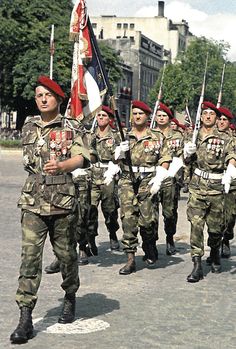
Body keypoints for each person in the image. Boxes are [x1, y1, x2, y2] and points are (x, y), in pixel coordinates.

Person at [10, 76, 90, 344]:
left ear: (58, 98)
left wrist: (65, 166)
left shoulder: (71, 126)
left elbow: (82, 156)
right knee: (30, 259)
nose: (42, 99)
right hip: (33, 200)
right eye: (38, 95)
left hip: (62, 200)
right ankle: (25, 316)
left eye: (48, 95)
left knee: (66, 255)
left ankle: (69, 296)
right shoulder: (29, 124)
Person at [115, 100, 172, 275]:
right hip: (127, 180)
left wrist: (159, 177)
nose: (137, 116)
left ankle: (149, 245)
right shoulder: (123, 135)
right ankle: (130, 258)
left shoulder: (157, 137)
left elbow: (165, 158)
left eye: (141, 113)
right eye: (135, 113)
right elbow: (112, 160)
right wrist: (118, 153)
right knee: (127, 219)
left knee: (148, 221)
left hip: (148, 180)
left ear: (147, 116)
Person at [184, 101, 236, 283]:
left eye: (211, 114)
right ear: (201, 116)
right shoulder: (192, 136)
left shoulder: (225, 138)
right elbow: (185, 162)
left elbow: (231, 155)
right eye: (205, 113)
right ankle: (197, 264)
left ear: (215, 118)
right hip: (197, 187)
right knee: (196, 225)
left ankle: (214, 250)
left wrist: (230, 169)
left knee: (215, 229)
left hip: (216, 189)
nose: (207, 116)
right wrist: (186, 154)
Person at [88, 105, 121, 253]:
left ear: (110, 119)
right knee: (90, 208)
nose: (100, 118)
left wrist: (115, 167)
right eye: (99, 116)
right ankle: (91, 238)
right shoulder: (91, 135)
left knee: (110, 208)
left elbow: (121, 156)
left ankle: (112, 233)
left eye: (104, 116)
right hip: (93, 174)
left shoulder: (116, 136)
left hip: (109, 174)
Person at [154, 103, 184, 255]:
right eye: (158, 115)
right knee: (151, 212)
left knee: (170, 212)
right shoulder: (150, 134)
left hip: (170, 179)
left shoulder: (177, 136)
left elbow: (181, 157)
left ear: (169, 118)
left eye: (164, 115)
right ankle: (151, 241)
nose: (161, 118)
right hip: (153, 178)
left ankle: (170, 238)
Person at [217, 106, 236, 258]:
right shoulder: (210, 137)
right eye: (220, 119)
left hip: (232, 182)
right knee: (215, 216)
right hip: (214, 182)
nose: (221, 122)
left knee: (230, 216)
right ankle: (216, 244)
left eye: (225, 119)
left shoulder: (234, 140)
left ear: (229, 122)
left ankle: (226, 238)